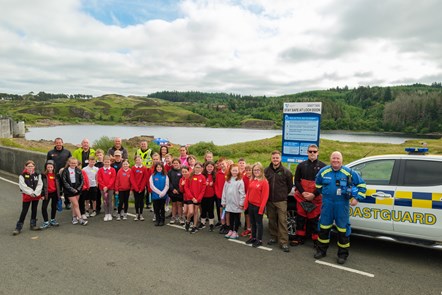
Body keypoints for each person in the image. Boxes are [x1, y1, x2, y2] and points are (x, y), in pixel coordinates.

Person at [314, 151, 366, 264]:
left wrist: (357, 198)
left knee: (343, 230)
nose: (335, 160)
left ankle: (342, 255)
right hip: (327, 204)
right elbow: (318, 185)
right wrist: (324, 193)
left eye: (338, 158)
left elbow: (362, 186)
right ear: (330, 159)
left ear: (341, 160)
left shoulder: (349, 172)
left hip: (342, 205)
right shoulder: (323, 171)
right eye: (333, 158)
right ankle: (321, 251)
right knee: (323, 228)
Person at [292, 144, 326, 246]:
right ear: (307, 152)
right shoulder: (301, 165)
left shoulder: (323, 167)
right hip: (302, 196)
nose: (312, 153)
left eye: (314, 151)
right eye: (310, 151)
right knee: (300, 217)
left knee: (314, 219)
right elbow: (297, 181)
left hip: (315, 197)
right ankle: (299, 237)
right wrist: (303, 192)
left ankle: (315, 240)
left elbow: (324, 183)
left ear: (318, 153)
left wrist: (313, 194)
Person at [264, 150, 293, 252]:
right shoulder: (266, 171)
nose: (275, 159)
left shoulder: (287, 172)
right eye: (273, 158)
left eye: (277, 158)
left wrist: (283, 195)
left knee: (282, 221)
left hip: (281, 201)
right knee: (271, 220)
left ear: (280, 159)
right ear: (271, 159)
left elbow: (289, 186)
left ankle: (284, 242)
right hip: (269, 200)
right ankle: (273, 237)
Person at [13, 160, 43, 235]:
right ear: (25, 167)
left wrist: (36, 193)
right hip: (27, 195)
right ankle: (18, 227)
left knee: (34, 209)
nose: (30, 167)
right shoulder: (22, 175)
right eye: (29, 166)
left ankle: (33, 225)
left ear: (34, 167)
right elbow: (23, 186)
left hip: (36, 195)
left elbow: (40, 184)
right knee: (24, 211)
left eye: (32, 166)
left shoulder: (37, 174)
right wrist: (31, 193)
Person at [244, 162, 269, 248]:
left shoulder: (264, 182)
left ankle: (259, 240)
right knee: (252, 223)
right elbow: (248, 193)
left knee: (259, 223)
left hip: (258, 206)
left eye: (258, 170)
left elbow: (265, 197)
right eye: (254, 170)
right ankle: (253, 237)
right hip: (251, 205)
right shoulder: (252, 180)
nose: (256, 171)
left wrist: (261, 209)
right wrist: (246, 204)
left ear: (261, 170)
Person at [60, 158, 88, 225]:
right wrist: (71, 189)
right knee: (76, 204)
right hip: (69, 190)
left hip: (77, 189)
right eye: (72, 163)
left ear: (77, 164)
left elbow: (82, 180)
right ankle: (80, 219)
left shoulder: (78, 170)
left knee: (74, 205)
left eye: (75, 163)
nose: (73, 164)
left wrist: (78, 189)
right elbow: (64, 182)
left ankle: (74, 217)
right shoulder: (65, 171)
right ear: (69, 163)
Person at [221, 164, 245, 240]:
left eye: (236, 170)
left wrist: (241, 203)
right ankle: (231, 230)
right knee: (231, 217)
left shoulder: (240, 181)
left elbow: (242, 193)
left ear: (238, 171)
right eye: (233, 170)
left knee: (236, 217)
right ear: (230, 171)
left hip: (237, 203)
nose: (234, 172)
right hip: (229, 203)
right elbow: (224, 191)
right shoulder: (228, 180)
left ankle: (235, 231)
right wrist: (223, 201)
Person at [47, 137, 72, 209]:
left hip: (65, 174)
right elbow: (47, 164)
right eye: (57, 143)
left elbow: (70, 162)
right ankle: (58, 203)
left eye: (60, 143)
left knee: (66, 189)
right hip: (55, 175)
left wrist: (65, 168)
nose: (58, 144)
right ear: (55, 143)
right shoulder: (50, 152)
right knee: (57, 190)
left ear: (62, 143)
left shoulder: (67, 152)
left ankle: (67, 203)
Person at [184, 162, 206, 234]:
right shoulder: (189, 176)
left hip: (198, 199)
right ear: (194, 168)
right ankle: (188, 221)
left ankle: (194, 226)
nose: (197, 169)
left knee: (196, 212)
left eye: (199, 167)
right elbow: (186, 188)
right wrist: (192, 197)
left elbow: (203, 190)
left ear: (202, 169)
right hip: (190, 198)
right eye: (196, 167)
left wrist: (198, 199)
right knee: (191, 212)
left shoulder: (203, 177)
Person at [40, 160, 61, 229]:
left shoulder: (56, 175)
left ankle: (52, 220)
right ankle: (46, 222)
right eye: (48, 167)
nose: (49, 168)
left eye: (51, 167)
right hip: (46, 193)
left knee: (54, 207)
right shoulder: (43, 175)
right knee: (43, 207)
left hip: (54, 193)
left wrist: (60, 193)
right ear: (46, 167)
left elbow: (59, 185)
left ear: (53, 167)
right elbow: (41, 185)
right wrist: (42, 194)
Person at [97, 156, 116, 222]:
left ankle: (110, 214)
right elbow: (99, 179)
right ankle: (106, 213)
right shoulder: (100, 170)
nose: (107, 163)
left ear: (110, 162)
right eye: (105, 162)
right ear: (103, 162)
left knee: (110, 201)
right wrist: (104, 186)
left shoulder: (112, 170)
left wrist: (107, 186)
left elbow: (113, 179)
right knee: (105, 201)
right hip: (102, 188)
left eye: (108, 162)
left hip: (110, 188)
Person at [150, 162, 170, 226]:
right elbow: (152, 186)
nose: (159, 168)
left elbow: (167, 185)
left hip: (163, 195)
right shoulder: (152, 176)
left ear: (162, 168)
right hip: (155, 195)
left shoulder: (165, 175)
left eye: (160, 167)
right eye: (157, 167)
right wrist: (159, 192)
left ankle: (162, 220)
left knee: (162, 208)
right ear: (155, 168)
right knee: (156, 208)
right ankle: (157, 220)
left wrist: (163, 192)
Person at [131, 155, 148, 221]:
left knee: (141, 201)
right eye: (137, 160)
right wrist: (136, 188)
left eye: (139, 160)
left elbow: (145, 178)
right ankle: (136, 214)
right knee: (136, 201)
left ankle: (141, 214)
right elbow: (132, 179)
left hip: (142, 188)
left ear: (142, 160)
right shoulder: (133, 168)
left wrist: (141, 188)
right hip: (135, 188)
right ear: (135, 161)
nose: (138, 161)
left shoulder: (144, 168)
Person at [168, 158, 184, 225]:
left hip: (179, 192)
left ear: (179, 164)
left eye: (177, 163)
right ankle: (173, 217)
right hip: (172, 191)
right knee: (174, 205)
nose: (175, 164)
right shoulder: (170, 171)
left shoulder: (182, 171)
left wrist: (178, 190)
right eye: (174, 163)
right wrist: (172, 189)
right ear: (172, 164)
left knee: (179, 205)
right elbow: (168, 181)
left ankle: (180, 217)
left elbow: (183, 181)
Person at [201, 161, 216, 231]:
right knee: (203, 209)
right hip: (203, 195)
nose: (209, 168)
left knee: (210, 210)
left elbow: (217, 185)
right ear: (205, 167)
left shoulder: (214, 175)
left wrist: (213, 184)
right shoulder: (202, 175)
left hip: (211, 195)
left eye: (211, 167)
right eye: (208, 167)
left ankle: (211, 223)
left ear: (213, 167)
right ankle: (202, 222)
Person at [215, 158, 228, 233]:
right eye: (221, 164)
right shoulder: (218, 174)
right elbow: (216, 185)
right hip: (220, 196)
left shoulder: (229, 173)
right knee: (221, 210)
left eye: (223, 164)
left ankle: (227, 225)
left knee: (227, 211)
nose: (222, 165)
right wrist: (218, 194)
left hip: (228, 196)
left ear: (226, 164)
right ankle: (223, 224)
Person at [240, 164, 252, 237]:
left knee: (253, 215)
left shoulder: (255, 178)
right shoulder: (243, 178)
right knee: (247, 214)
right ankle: (248, 228)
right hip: (246, 199)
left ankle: (254, 230)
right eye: (246, 170)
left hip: (253, 200)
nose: (248, 172)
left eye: (249, 170)